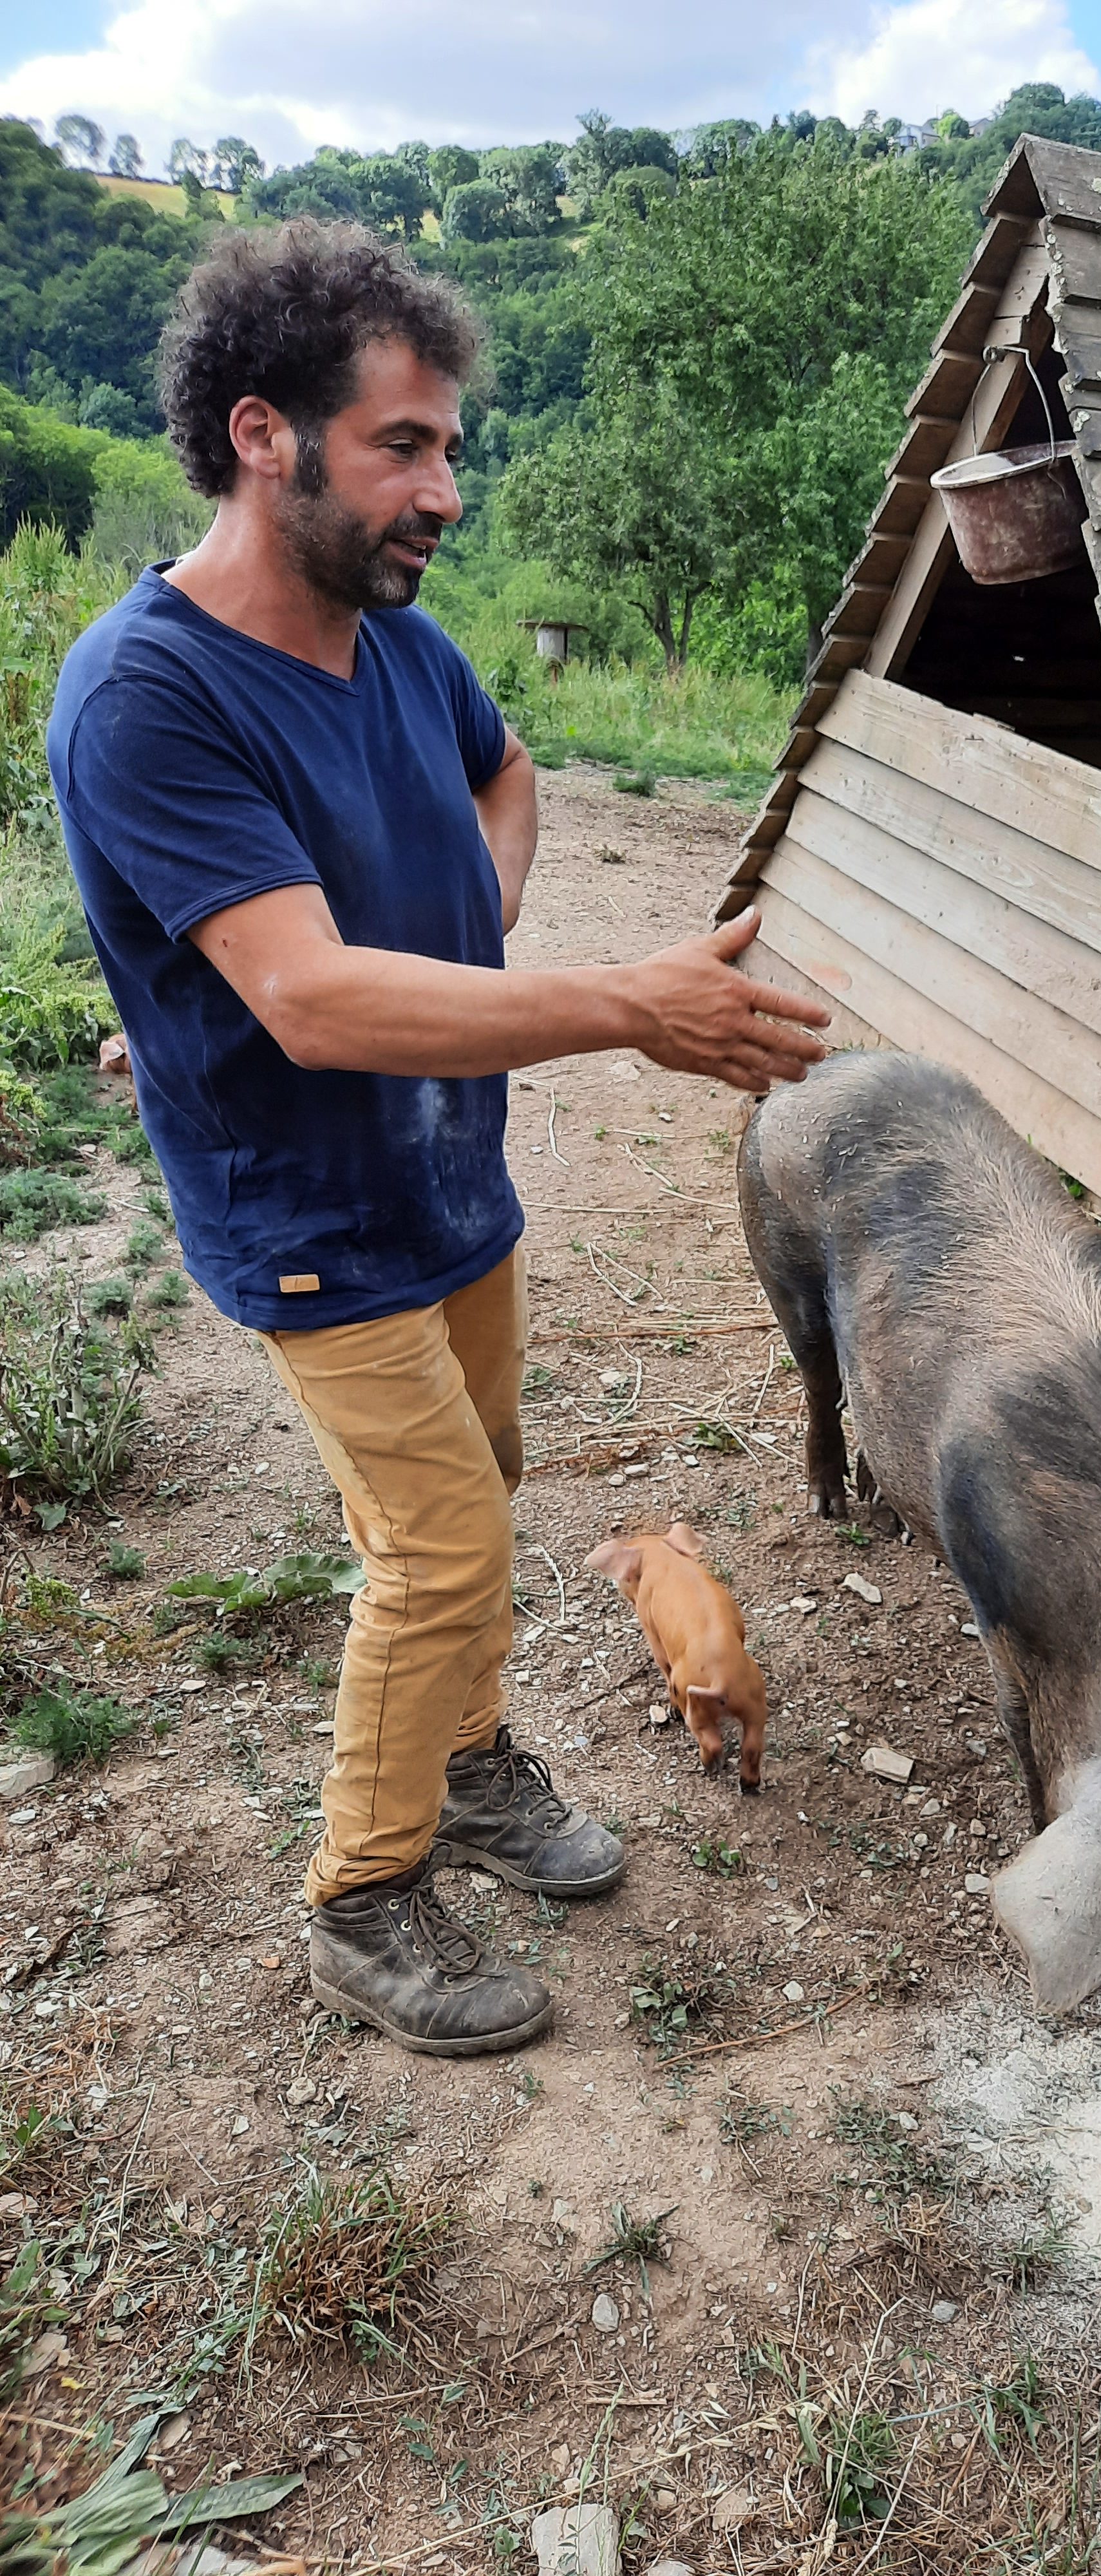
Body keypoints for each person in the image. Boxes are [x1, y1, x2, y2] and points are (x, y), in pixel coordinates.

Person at [46, 223, 829, 2056]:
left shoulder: (396, 642)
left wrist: (470, 938)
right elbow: (312, 1003)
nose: (446, 490)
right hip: (302, 1202)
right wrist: (627, 1004)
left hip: (449, 1174)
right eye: (406, 445)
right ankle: (360, 1895)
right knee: (442, 1544)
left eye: (450, 447)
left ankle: (468, 1764)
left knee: (484, 1467)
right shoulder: (146, 694)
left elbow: (510, 768)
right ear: (265, 434)